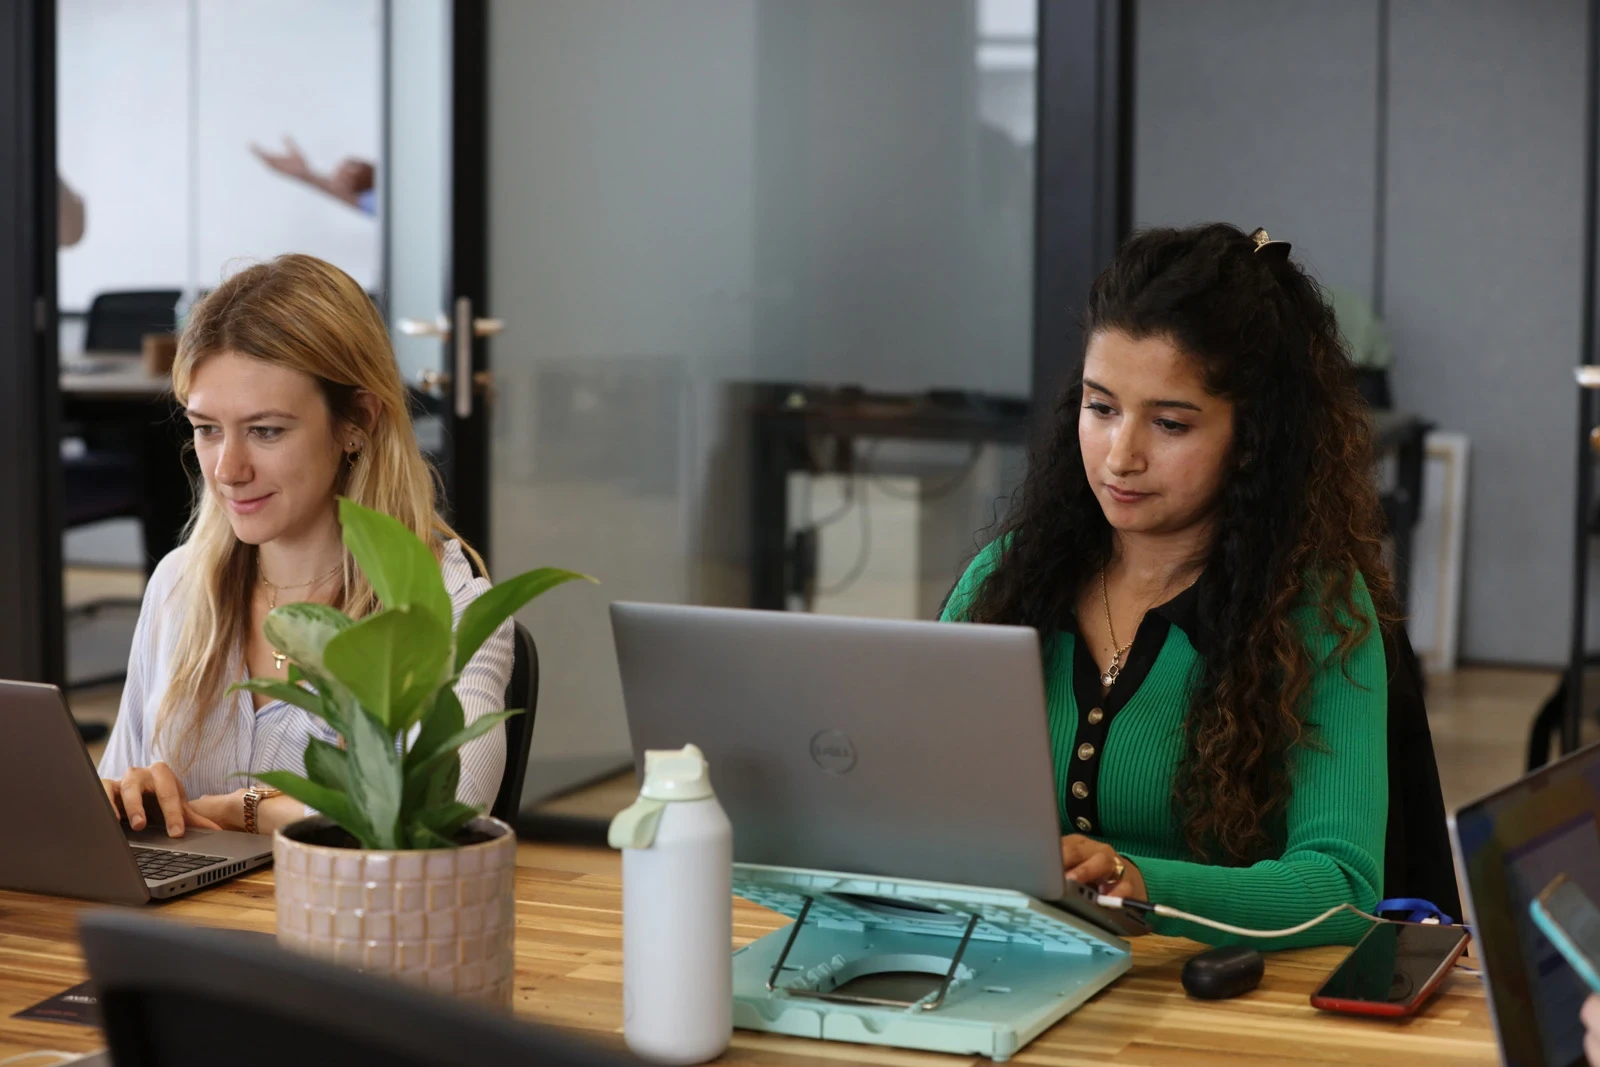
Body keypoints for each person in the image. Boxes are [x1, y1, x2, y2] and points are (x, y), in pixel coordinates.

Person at [942, 223, 1393, 949]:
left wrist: (1144, 884)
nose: (1122, 456)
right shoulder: (1007, 576)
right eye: (1101, 407)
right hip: (1006, 971)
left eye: (1171, 423)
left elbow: (1340, 888)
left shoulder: (1315, 610)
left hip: (1204, 1007)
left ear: (1252, 440)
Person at [96, 253, 512, 838]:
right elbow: (117, 789)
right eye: (207, 429)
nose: (228, 469)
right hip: (185, 927)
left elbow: (439, 827)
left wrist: (254, 808)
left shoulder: (446, 606)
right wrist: (129, 797)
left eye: (266, 431)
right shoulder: (178, 584)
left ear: (357, 421)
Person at [251, 136, 376, 216]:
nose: (337, 179)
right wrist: (305, 175)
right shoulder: (373, 202)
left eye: (345, 178)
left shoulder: (389, 192)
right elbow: (357, 200)